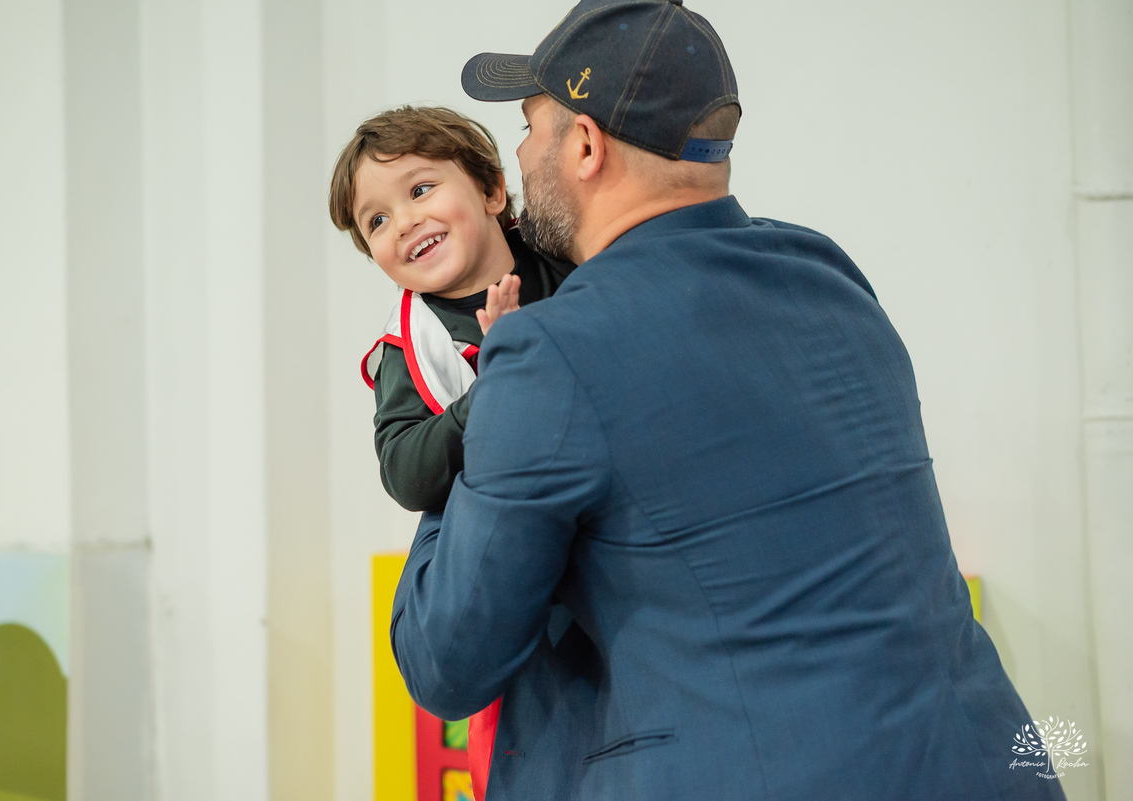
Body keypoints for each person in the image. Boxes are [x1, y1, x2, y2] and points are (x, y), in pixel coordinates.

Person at [388, 1, 1069, 800]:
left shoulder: (549, 352)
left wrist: (469, 400)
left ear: (583, 145)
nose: (522, 150)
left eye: (533, 125)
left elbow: (446, 658)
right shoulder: (829, 277)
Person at [327, 105, 574, 799]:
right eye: (375, 221)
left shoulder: (563, 258)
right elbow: (405, 469)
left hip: (596, 522)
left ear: (493, 192)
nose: (402, 222)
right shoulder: (410, 342)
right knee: (523, 732)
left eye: (419, 190)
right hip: (503, 558)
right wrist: (492, 388)